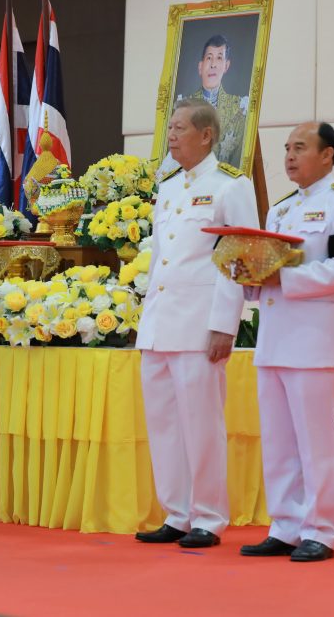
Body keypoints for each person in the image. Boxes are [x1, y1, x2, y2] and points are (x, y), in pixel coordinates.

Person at [238, 122, 334, 561]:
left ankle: (320, 530)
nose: (290, 156)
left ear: (328, 155)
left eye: (300, 148)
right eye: (287, 148)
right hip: (275, 339)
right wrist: (250, 281)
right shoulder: (279, 210)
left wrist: (283, 277)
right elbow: (268, 274)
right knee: (278, 441)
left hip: (315, 344)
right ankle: (285, 525)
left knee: (315, 444)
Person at [135, 99, 259, 548]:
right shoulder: (168, 186)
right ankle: (177, 512)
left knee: (202, 424)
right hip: (160, 323)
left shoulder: (231, 186)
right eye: (169, 127)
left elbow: (240, 257)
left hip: (199, 324)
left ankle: (208, 516)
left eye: (180, 128)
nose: (170, 135)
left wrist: (226, 323)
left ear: (205, 135)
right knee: (164, 423)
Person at [179, 35, 248, 168]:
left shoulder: (239, 109)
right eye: (209, 58)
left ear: (226, 66)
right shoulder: (183, 107)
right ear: (200, 66)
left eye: (219, 58)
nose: (213, 65)